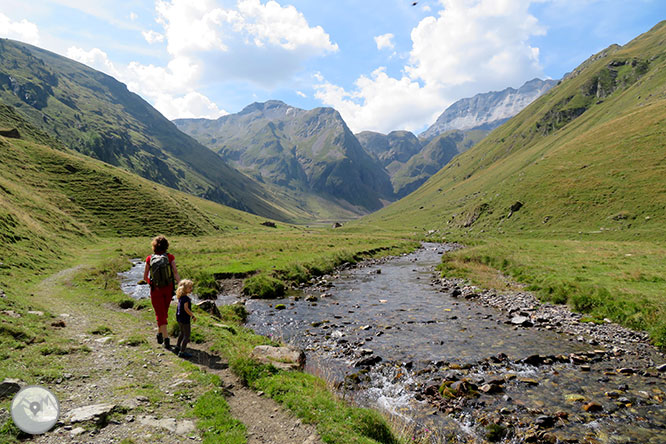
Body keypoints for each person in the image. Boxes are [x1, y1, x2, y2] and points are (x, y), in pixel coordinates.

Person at [143, 235, 180, 349]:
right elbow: (175, 273)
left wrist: (152, 284)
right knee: (164, 312)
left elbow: (145, 277)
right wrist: (180, 286)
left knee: (160, 314)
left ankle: (166, 339)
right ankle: (162, 334)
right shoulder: (170, 257)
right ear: (166, 246)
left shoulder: (150, 259)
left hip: (156, 290)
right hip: (168, 288)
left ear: (154, 246)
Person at [174, 279, 196, 358]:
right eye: (189, 288)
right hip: (185, 319)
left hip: (179, 318)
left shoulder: (180, 297)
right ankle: (182, 352)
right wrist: (192, 316)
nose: (191, 289)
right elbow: (186, 309)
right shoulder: (186, 299)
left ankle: (177, 347)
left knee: (182, 333)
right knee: (187, 335)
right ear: (184, 289)